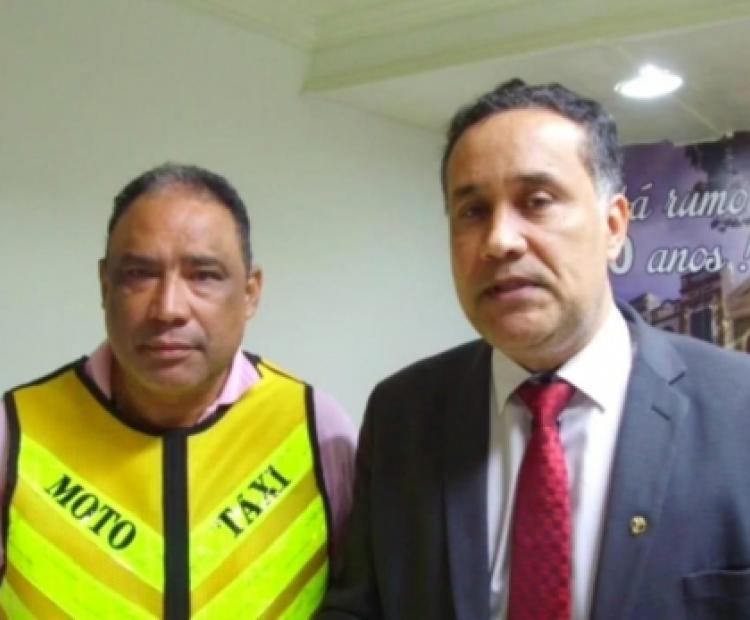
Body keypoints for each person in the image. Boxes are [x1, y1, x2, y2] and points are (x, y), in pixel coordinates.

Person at [319, 80, 750, 620]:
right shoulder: (404, 414)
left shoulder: (738, 408)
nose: (500, 240)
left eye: (537, 202)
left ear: (614, 226)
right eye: (472, 211)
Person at [0, 163, 356, 619]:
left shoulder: (315, 427)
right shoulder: (15, 429)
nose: (168, 308)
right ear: (105, 286)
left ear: (250, 293)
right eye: (139, 274)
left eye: (203, 275)